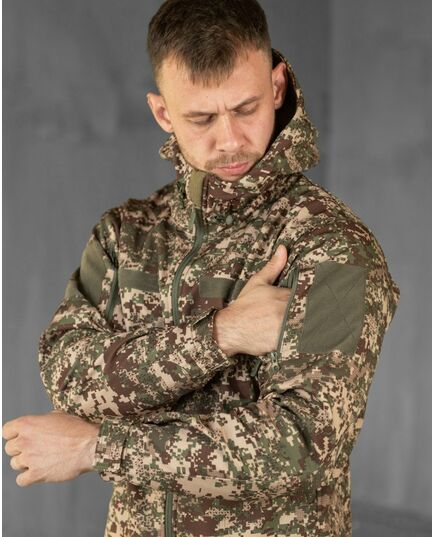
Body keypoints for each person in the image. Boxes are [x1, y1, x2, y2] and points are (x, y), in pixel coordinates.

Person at [2, 0, 400, 535]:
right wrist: (221, 335)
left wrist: (98, 446)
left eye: (245, 108)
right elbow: (68, 377)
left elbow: (302, 446)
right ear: (163, 114)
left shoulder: (332, 245)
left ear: (277, 86)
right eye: (202, 118)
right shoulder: (126, 234)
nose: (230, 139)